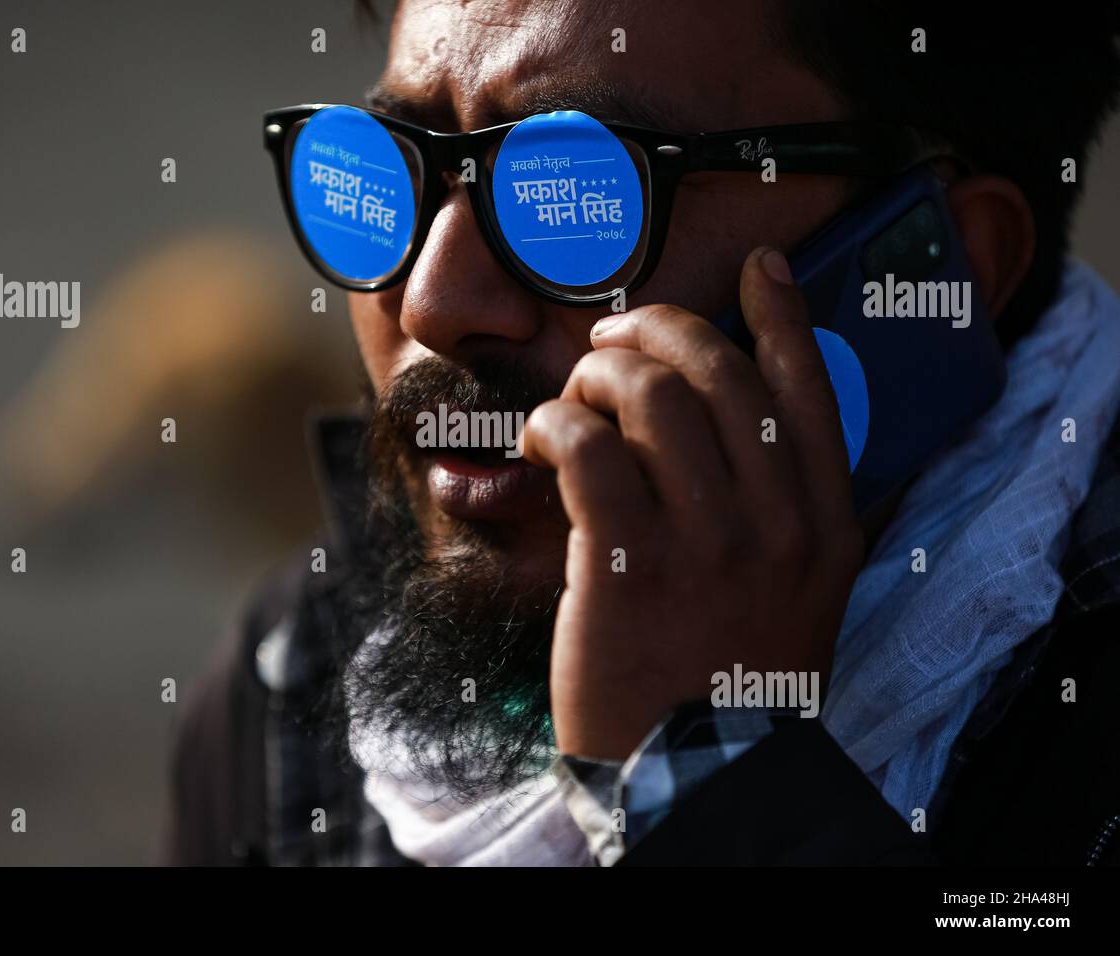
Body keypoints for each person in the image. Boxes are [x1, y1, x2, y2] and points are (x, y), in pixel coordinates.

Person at [162, 0, 1120, 866]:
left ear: (937, 277)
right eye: (387, 164)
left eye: (576, 187)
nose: (432, 301)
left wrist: (704, 783)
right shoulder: (293, 682)